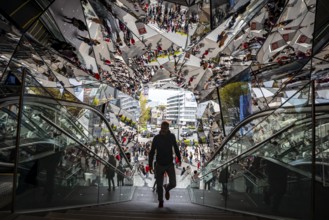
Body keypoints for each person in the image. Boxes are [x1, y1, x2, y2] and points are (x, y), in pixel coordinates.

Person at [149, 121, 181, 208]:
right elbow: (151, 152)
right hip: (159, 164)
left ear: (168, 129)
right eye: (162, 128)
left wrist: (179, 158)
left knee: (173, 183)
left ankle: (167, 188)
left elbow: (176, 147)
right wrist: (150, 165)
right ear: (160, 128)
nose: (163, 130)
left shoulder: (172, 137)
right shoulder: (156, 138)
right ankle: (160, 201)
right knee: (159, 185)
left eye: (165, 128)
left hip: (169, 164)